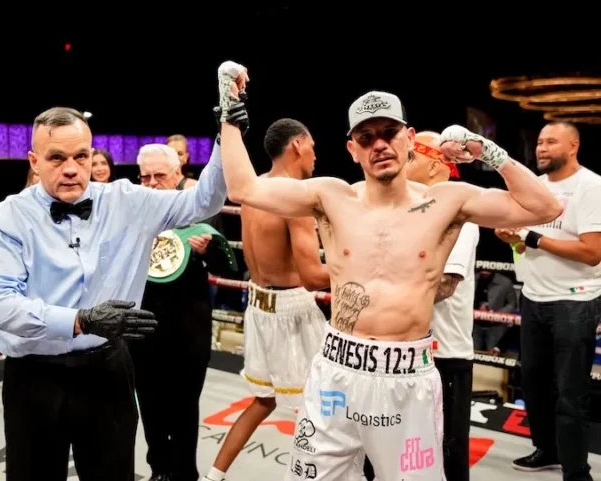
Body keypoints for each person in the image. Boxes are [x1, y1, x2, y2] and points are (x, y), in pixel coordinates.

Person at [214, 61, 562, 481]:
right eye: (366, 137)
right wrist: (229, 110)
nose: (379, 144)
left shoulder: (447, 201)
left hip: (407, 377)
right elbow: (244, 188)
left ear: (409, 138)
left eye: (389, 132)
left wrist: (488, 151)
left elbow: (546, 207)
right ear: (352, 150)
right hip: (336, 370)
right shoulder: (331, 196)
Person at [0, 106, 229, 481]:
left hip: (107, 370)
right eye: (56, 158)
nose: (71, 169)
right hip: (35, 377)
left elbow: (205, 201)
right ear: (34, 161)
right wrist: (81, 320)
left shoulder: (126, 201)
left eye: (80, 156)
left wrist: (227, 134)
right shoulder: (6, 218)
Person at [203, 118, 330, 481]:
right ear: (297, 145)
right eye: (313, 145)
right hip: (292, 309)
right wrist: (362, 267)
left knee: (264, 401)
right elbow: (312, 277)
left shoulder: (254, 188)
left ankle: (213, 476)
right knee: (323, 405)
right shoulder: (295, 197)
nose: (316, 155)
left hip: (259, 304)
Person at [494, 121, 601, 481]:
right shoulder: (535, 187)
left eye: (551, 142)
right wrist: (513, 238)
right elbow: (524, 245)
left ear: (573, 146)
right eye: (539, 141)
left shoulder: (591, 186)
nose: (541, 148)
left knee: (570, 392)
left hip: (574, 302)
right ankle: (546, 450)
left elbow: (592, 252)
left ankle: (576, 471)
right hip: (534, 297)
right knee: (534, 384)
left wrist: (532, 238)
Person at [132, 143, 237, 481]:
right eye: (145, 177)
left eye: (159, 175)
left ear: (177, 173)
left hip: (188, 321)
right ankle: (159, 469)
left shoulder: (200, 207)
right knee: (148, 399)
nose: (151, 183)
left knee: (185, 401)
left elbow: (228, 267)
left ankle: (184, 471)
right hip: (143, 319)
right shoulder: (132, 210)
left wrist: (208, 251)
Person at [404, 131, 480, 481]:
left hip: (443, 356)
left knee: (446, 458)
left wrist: (382, 299)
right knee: (396, 452)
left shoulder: (460, 213)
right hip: (403, 350)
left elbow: (445, 285)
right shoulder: (406, 211)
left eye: (411, 158)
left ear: (435, 166)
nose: (401, 164)